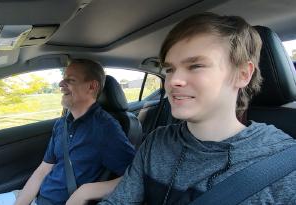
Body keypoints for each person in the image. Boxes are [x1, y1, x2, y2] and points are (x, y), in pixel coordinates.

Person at [99, 13, 296, 204]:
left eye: (196, 66)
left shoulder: (284, 164)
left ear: (243, 74)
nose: (173, 80)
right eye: (170, 69)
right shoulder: (157, 142)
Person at [0, 59, 135, 205]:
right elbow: (43, 170)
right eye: (63, 78)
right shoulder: (62, 124)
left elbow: (134, 176)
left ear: (92, 86)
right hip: (33, 198)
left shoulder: (106, 128)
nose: (61, 84)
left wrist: (86, 191)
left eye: (70, 80)